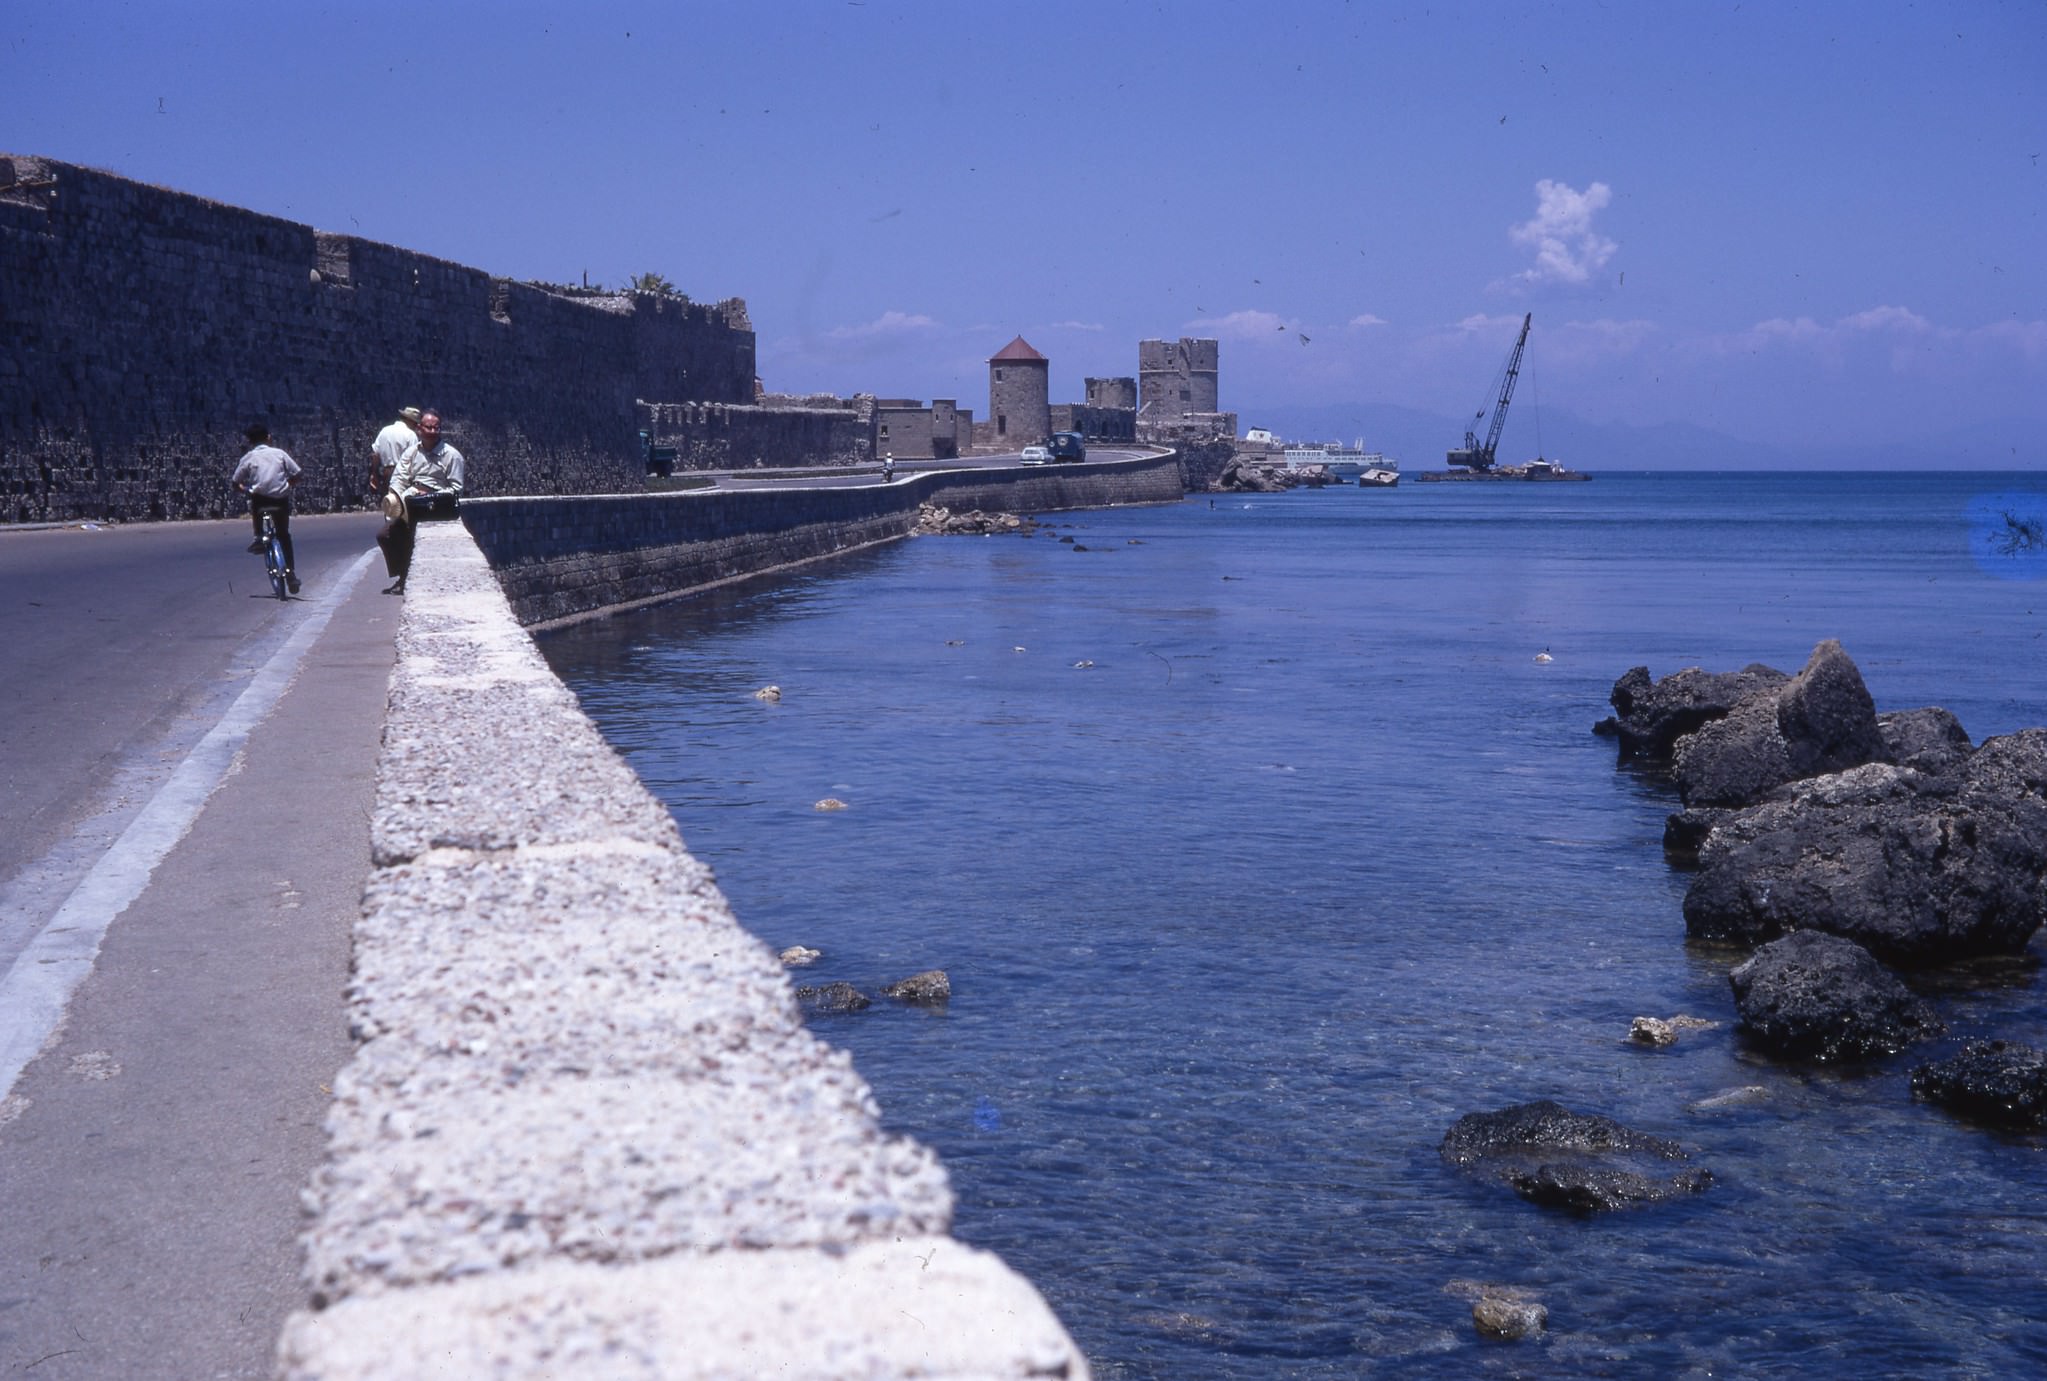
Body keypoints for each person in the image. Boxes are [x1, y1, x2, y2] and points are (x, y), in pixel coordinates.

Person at [377, 409, 466, 595]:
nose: (432, 431)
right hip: (411, 503)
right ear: (419, 429)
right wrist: (396, 496)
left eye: (436, 428)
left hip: (436, 506)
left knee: (413, 537)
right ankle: (402, 575)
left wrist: (432, 494)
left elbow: (456, 489)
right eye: (429, 427)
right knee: (385, 534)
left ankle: (410, 579)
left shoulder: (452, 456)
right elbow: (399, 477)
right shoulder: (411, 453)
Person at [232, 422, 302, 594]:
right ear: (269, 438)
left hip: (260, 500)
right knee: (284, 535)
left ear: (249, 441)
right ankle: (291, 574)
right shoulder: (279, 453)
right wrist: (287, 485)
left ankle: (258, 537)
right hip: (280, 499)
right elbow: (298, 473)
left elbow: (235, 482)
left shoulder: (248, 457)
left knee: (255, 500)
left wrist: (245, 489)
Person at [369, 406, 420, 500]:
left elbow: (375, 455)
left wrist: (374, 473)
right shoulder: (410, 435)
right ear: (410, 420)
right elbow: (415, 458)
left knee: (389, 504)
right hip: (403, 474)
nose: (416, 426)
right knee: (404, 505)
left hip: (386, 473)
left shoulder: (384, 431)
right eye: (415, 423)